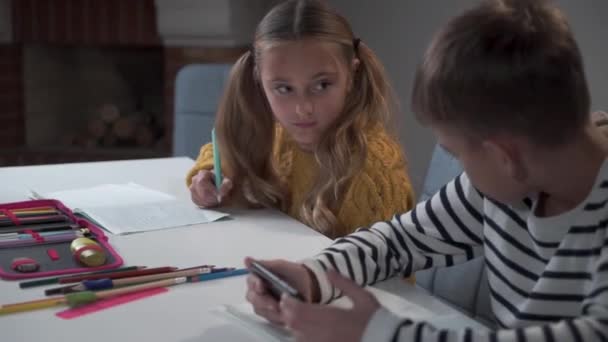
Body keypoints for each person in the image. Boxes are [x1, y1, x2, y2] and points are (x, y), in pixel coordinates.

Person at [245, 0, 608, 341]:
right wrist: (311, 275)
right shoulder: (505, 183)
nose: (458, 170)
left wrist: (381, 333)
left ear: (505, 156)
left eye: (456, 153)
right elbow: (398, 241)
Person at [186, 0, 415, 239]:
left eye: (322, 85)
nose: (302, 109)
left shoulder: (371, 171)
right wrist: (210, 176)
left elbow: (385, 273)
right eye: (284, 89)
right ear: (259, 81)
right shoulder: (276, 133)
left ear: (351, 75)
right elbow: (224, 151)